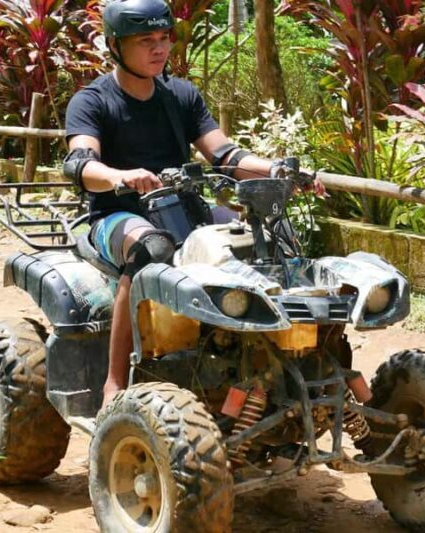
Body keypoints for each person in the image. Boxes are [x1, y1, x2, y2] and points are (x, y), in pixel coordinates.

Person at [63, 0, 324, 407]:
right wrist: (119, 177)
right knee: (152, 248)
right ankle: (114, 383)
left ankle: (281, 357)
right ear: (114, 45)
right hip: (117, 214)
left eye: (164, 38)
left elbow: (226, 156)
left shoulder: (181, 95)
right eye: (145, 40)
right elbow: (79, 163)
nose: (159, 48)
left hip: (182, 207)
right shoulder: (92, 100)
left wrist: (279, 170)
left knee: (271, 236)